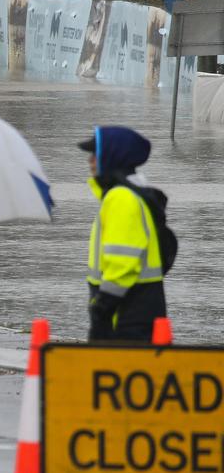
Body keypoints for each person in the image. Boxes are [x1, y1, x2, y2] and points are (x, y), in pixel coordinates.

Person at [80, 126, 167, 342]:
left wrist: (103, 307)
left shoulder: (121, 198)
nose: (90, 161)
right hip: (139, 305)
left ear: (111, 157)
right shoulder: (131, 193)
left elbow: (123, 261)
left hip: (127, 310)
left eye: (94, 154)